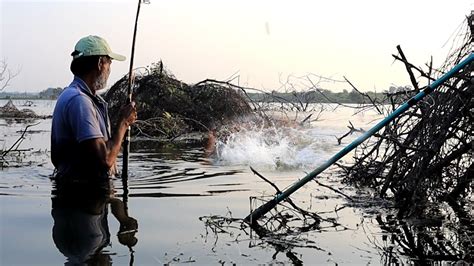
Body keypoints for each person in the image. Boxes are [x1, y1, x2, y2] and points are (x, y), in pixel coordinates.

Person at [51, 35, 137, 181]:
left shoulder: (83, 98)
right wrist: (124, 123)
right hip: (84, 197)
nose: (109, 69)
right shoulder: (79, 101)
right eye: (109, 62)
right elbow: (105, 160)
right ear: (99, 63)